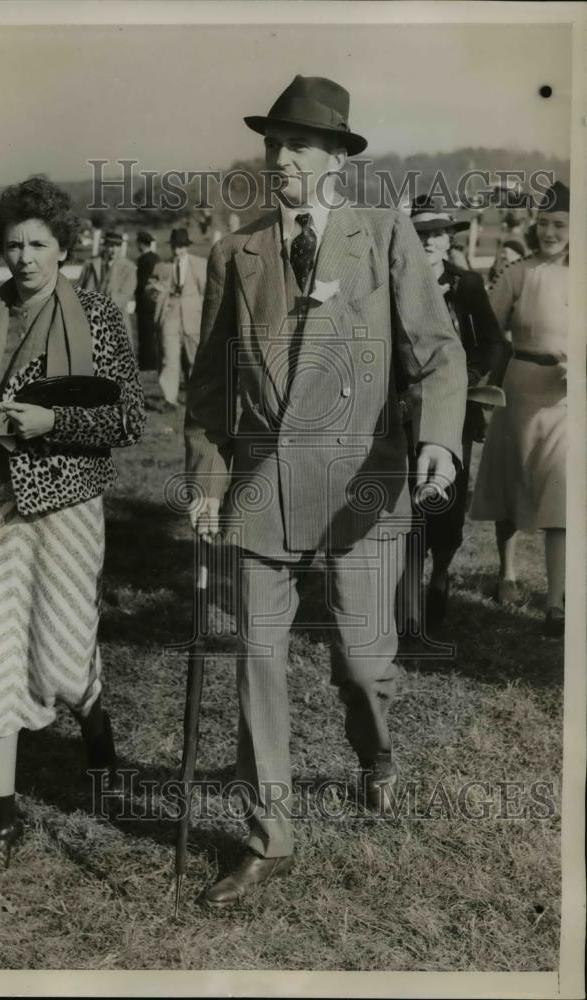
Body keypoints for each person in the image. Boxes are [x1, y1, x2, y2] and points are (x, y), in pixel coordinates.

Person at [185, 75, 466, 906]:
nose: (280, 160)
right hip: (263, 491)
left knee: (362, 664)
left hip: (363, 489)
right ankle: (268, 837)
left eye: (298, 147)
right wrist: (206, 480)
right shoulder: (238, 251)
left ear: (338, 159)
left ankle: (375, 752)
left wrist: (442, 439)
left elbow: (439, 355)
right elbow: (208, 387)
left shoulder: (383, 236)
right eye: (272, 145)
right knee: (257, 663)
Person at [0, 175, 145, 874]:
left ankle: (97, 733)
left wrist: (56, 421)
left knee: (59, 650)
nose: (23, 257)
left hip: (67, 500)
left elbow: (129, 418)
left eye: (38, 244)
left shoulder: (98, 316)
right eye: (13, 244)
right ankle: (3, 818)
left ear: (63, 248)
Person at [396, 196, 511, 633]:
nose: (427, 241)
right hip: (401, 411)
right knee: (403, 503)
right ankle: (406, 602)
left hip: (451, 413)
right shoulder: (394, 283)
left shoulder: (466, 286)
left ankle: (440, 574)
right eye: (419, 233)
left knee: (444, 502)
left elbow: (498, 343)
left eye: (436, 233)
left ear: (449, 240)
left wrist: (472, 381)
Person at [470, 181, 569, 637]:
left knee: (562, 489)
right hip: (521, 388)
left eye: (560, 225)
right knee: (512, 479)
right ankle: (507, 575)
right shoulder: (520, 272)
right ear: (534, 225)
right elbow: (489, 329)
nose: (551, 232)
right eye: (545, 224)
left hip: (569, 396)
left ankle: (556, 602)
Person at [148, 228, 206, 412]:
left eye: (180, 247)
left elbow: (207, 292)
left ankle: (197, 398)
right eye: (174, 246)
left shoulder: (200, 264)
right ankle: (169, 399)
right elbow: (149, 289)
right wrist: (157, 292)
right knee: (169, 358)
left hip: (193, 318)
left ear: (186, 247)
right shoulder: (161, 266)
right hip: (169, 317)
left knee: (195, 359)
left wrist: (201, 312)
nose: (177, 250)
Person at [79, 231, 138, 352]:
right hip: (93, 316)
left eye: (117, 246)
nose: (113, 250)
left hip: (116, 315)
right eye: (110, 245)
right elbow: (81, 288)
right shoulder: (91, 264)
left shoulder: (128, 267)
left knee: (118, 353)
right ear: (105, 246)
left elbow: (126, 293)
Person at [134, 231, 160, 371]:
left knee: (145, 333)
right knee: (151, 333)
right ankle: (151, 361)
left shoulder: (144, 260)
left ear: (141, 243)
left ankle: (146, 363)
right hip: (154, 300)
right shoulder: (155, 258)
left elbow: (142, 283)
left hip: (144, 301)